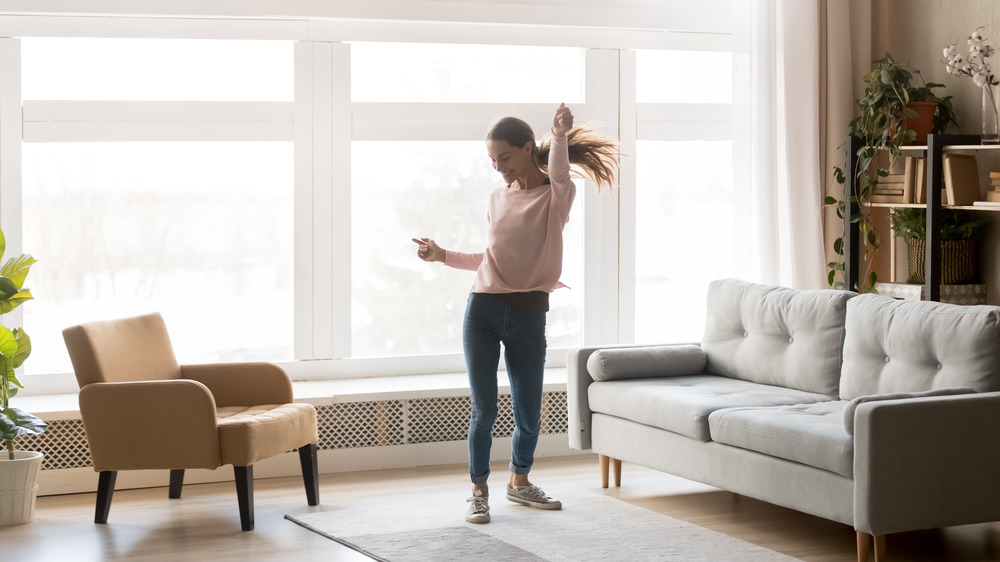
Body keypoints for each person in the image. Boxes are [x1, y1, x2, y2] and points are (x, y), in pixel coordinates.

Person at [412, 103, 618, 524]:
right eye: (491, 160)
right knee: (484, 409)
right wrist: (442, 256)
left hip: (528, 316)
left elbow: (559, 171)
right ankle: (478, 490)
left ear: (528, 149)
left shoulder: (556, 196)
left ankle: (519, 482)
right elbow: (491, 259)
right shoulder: (496, 199)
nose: (498, 168)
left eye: (504, 157)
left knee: (529, 411)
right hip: (482, 311)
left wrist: (559, 134)